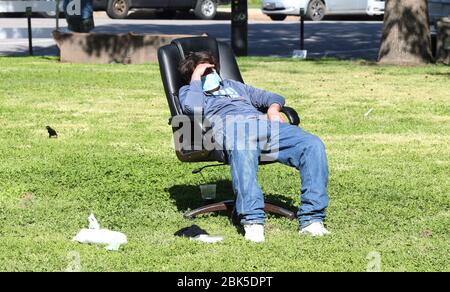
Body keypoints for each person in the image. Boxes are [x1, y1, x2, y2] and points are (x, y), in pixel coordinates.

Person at [178, 51, 330, 243]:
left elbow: (272, 96)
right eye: (205, 71)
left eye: (212, 68)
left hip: (264, 125)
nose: (212, 73)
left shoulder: (234, 86)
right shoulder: (189, 91)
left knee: (312, 144)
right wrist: (196, 79)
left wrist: (273, 110)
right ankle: (253, 220)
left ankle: (312, 219)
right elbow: (192, 109)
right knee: (243, 145)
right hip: (231, 127)